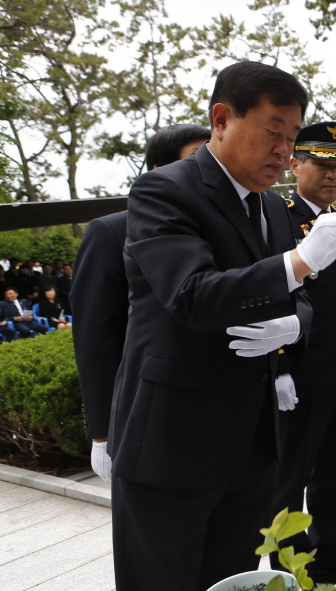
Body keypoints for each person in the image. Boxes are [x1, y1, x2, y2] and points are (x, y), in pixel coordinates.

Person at [108, 61, 336, 591]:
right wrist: (302, 259)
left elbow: (296, 300)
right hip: (174, 442)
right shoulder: (164, 191)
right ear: (222, 119)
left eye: (291, 136)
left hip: (252, 446)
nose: (283, 149)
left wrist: (295, 324)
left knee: (232, 580)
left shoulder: (270, 208)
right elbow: (192, 294)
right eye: (273, 130)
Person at [72, 123, 212, 486]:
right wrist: (102, 431)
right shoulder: (111, 231)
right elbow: (95, 337)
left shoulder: (220, 229)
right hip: (145, 410)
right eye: (198, 158)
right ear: (159, 171)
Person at [270, 121, 336, 588]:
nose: (333, 174)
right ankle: (291, 567)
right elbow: (272, 295)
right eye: (321, 163)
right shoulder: (278, 219)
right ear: (295, 165)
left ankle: (331, 553)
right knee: (289, 477)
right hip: (300, 374)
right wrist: (278, 366)